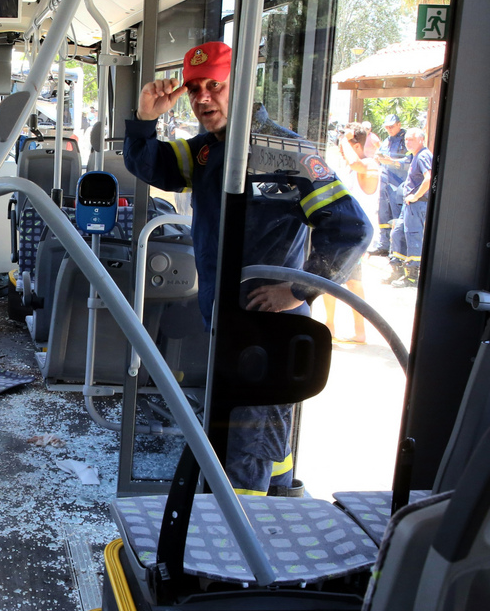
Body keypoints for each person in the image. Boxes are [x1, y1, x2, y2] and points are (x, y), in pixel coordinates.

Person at [123, 41, 371, 495]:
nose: (203, 98)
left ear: (241, 85)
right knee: (262, 435)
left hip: (267, 329)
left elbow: (351, 229)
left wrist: (296, 290)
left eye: (215, 86)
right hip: (230, 323)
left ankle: (237, 528)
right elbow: (152, 165)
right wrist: (144, 119)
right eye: (194, 88)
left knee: (244, 446)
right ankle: (280, 498)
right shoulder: (208, 152)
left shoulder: (287, 153)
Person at [387, 128, 433, 287]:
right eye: (406, 139)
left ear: (421, 140)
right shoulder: (415, 156)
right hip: (408, 205)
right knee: (398, 233)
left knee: (413, 237)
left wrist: (416, 196)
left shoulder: (423, 155)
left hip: (417, 204)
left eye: (411, 139)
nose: (407, 142)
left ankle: (412, 277)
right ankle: (397, 271)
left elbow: (429, 178)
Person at [372, 113, 409, 255]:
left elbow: (410, 160)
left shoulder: (406, 140)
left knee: (397, 216)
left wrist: (393, 162)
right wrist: (377, 158)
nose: (389, 129)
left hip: (398, 183)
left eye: (391, 126)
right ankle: (384, 245)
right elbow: (379, 155)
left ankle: (398, 251)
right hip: (385, 182)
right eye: (387, 127)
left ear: (399, 124)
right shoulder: (387, 140)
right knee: (383, 214)